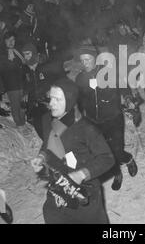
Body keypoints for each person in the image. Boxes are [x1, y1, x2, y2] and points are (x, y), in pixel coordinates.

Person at [31, 78, 115, 224]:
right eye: (51, 98)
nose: (51, 104)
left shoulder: (86, 129)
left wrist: (82, 174)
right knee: (50, 214)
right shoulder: (47, 120)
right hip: (58, 187)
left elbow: (107, 158)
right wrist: (42, 157)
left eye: (58, 99)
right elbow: (47, 143)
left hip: (84, 192)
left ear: (69, 101)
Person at [75, 44, 138, 191]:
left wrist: (128, 98)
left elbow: (124, 87)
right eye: (82, 60)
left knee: (117, 150)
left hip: (113, 118)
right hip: (93, 121)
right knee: (105, 153)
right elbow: (79, 99)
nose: (85, 63)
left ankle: (128, 159)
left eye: (88, 59)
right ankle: (117, 174)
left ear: (95, 59)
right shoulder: (80, 78)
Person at [21, 42, 66, 139]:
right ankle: (49, 149)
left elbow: (61, 79)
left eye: (28, 54)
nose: (26, 57)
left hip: (48, 104)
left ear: (33, 53)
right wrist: (26, 92)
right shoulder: (26, 69)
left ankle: (58, 150)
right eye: (24, 54)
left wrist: (52, 89)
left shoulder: (46, 66)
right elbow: (27, 83)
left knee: (52, 131)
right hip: (35, 104)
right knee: (39, 129)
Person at [0, 31, 29, 134]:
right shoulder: (2, 54)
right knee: (15, 105)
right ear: (5, 41)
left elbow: (24, 67)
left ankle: (23, 123)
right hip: (11, 85)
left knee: (22, 105)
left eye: (13, 40)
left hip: (21, 83)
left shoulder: (18, 53)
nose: (12, 42)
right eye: (9, 40)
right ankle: (19, 125)